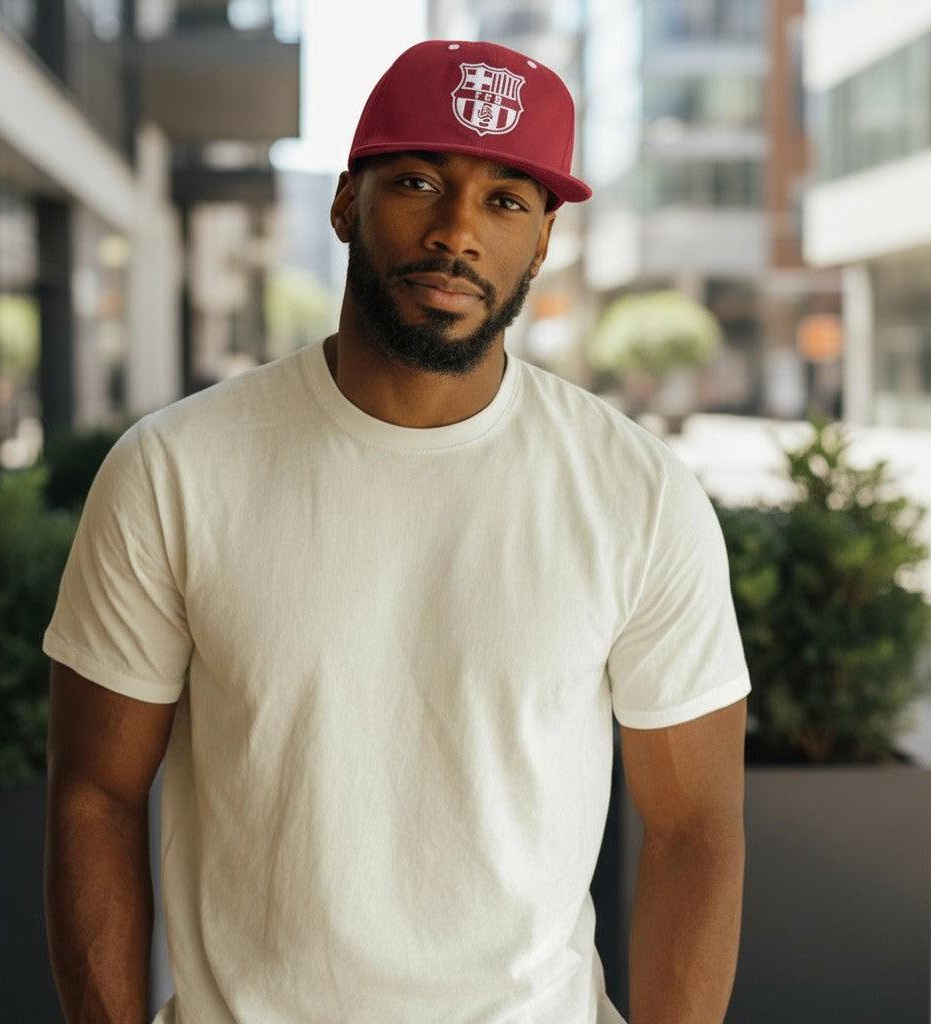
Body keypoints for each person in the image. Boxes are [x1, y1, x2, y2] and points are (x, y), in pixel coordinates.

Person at [43, 39, 751, 1024]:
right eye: (418, 180)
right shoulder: (174, 469)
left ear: (543, 242)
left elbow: (693, 830)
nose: (457, 230)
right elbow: (95, 797)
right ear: (345, 204)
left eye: (506, 200)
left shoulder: (635, 491)